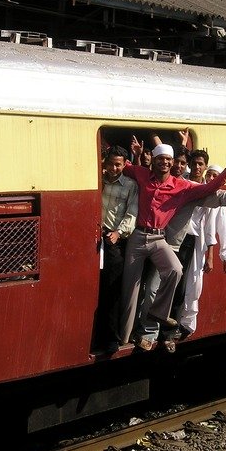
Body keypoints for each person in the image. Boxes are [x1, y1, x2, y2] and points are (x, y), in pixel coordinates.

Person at [116, 136, 226, 350]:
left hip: (158, 238)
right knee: (131, 288)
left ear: (172, 163)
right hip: (137, 237)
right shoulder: (141, 173)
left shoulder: (181, 186)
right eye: (160, 159)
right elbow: (122, 167)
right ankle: (124, 335)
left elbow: (210, 189)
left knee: (175, 270)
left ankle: (158, 313)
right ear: (154, 161)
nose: (164, 162)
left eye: (168, 159)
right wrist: (133, 156)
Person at [178, 164, 226, 337]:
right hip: (185, 241)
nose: (210, 178)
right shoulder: (195, 189)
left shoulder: (219, 203)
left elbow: (223, 231)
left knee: (194, 284)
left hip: (200, 246)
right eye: (209, 175)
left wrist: (225, 256)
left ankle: (187, 323)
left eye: (214, 176)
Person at [94, 145, 138, 351]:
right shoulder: (98, 179)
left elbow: (132, 213)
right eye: (110, 163)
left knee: (111, 291)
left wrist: (119, 233)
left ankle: (110, 337)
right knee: (95, 288)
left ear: (125, 165)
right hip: (95, 237)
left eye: (118, 164)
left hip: (114, 240)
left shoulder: (130, 185)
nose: (113, 168)